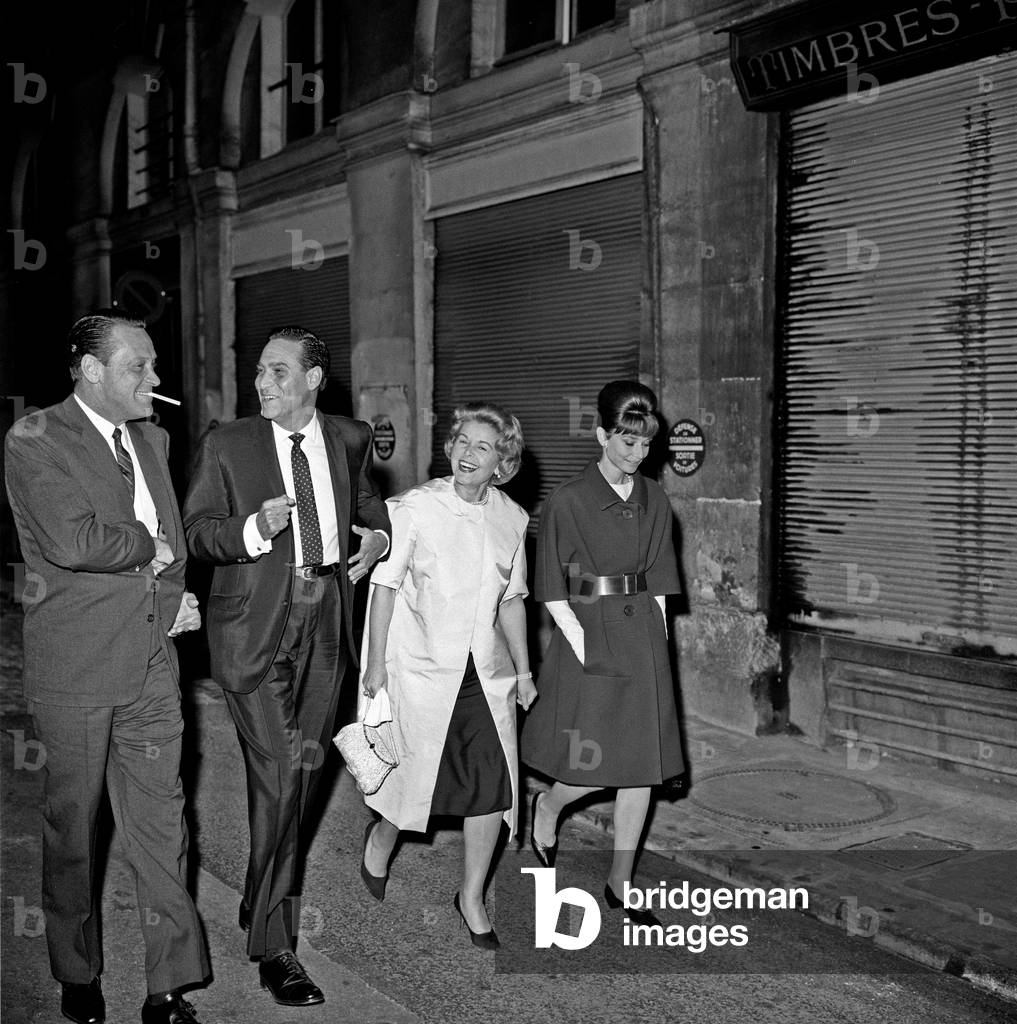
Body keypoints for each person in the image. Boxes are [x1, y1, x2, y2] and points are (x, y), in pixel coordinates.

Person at [4, 313, 212, 1024]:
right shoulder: (35, 438)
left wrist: (177, 593)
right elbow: (71, 539)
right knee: (75, 830)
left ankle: (169, 986)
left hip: (153, 660)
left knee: (164, 826)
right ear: (91, 371)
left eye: (153, 365)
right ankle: (76, 969)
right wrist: (146, 549)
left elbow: (173, 543)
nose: (155, 379)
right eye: (139, 367)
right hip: (79, 667)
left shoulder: (152, 437)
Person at [182, 326, 390, 1007]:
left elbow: (364, 503)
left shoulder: (349, 437)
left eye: (277, 372)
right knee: (279, 774)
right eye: (260, 373)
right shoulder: (227, 444)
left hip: (326, 616)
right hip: (256, 628)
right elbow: (196, 532)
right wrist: (253, 529)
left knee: (297, 779)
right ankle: (275, 946)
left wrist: (378, 535)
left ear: (312, 379)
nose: (262, 384)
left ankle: (257, 895)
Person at [358, 403, 535, 950]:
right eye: (461, 440)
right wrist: (375, 666)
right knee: (414, 779)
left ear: (502, 462)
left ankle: (472, 896)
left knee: (493, 786)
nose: (466, 452)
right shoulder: (411, 508)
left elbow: (512, 601)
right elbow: (384, 587)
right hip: (420, 670)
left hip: (485, 673)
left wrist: (525, 670)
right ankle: (381, 838)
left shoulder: (513, 519)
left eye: (482, 446)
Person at [521, 380, 683, 926]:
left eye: (645, 445)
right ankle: (549, 805)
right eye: (627, 443)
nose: (638, 455)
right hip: (588, 631)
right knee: (593, 763)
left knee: (642, 768)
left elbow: (660, 580)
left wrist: (657, 646)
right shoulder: (568, 500)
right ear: (601, 434)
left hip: (642, 639)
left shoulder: (655, 498)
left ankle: (621, 884)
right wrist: (584, 641)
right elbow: (553, 586)